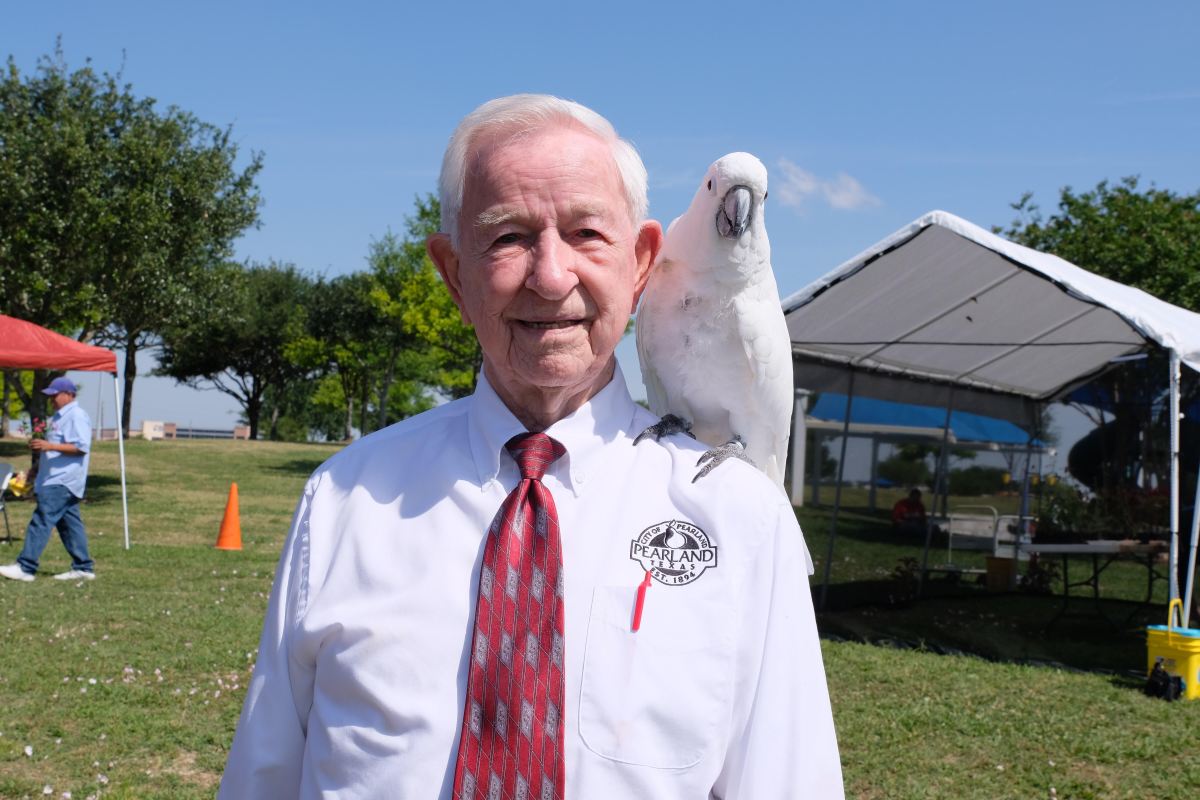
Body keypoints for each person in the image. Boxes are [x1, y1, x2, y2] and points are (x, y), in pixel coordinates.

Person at [219, 95, 843, 798]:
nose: (551, 277)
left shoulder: (744, 522)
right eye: (508, 237)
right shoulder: (342, 501)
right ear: (454, 274)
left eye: (585, 233)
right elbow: (262, 778)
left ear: (642, 263)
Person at [0, 377, 96, 582]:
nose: (51, 399)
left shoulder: (76, 416)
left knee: (41, 520)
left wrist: (48, 446)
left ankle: (25, 567)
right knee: (69, 525)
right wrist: (36, 468)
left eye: (55, 395)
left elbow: (80, 447)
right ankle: (83, 567)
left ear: (69, 395)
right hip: (53, 478)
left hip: (62, 480)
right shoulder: (59, 417)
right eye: (50, 395)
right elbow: (55, 449)